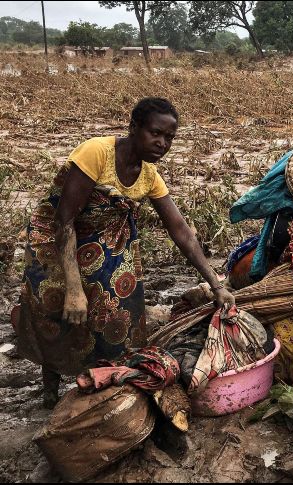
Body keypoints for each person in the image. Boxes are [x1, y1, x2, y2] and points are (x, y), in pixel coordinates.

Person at [11, 97, 235, 408]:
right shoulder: (96, 153)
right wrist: (75, 289)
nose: (162, 143)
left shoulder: (149, 176)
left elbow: (181, 231)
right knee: (58, 310)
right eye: (155, 133)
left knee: (118, 316)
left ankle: (101, 384)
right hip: (60, 239)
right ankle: (50, 385)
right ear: (133, 128)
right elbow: (64, 221)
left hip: (108, 243)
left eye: (169, 137)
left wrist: (216, 284)